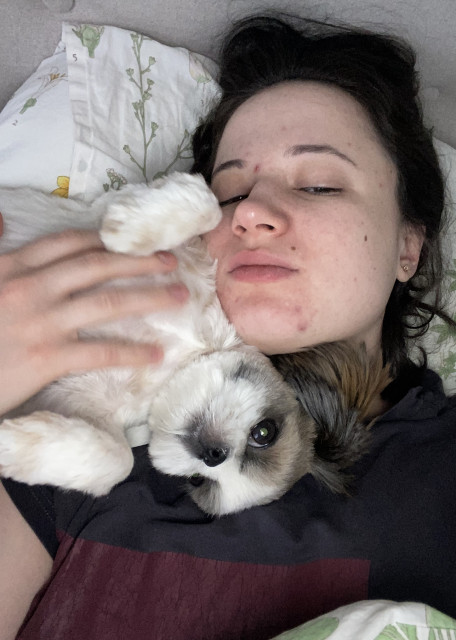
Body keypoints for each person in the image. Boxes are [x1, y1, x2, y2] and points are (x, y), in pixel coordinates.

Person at [1, 13, 455, 640]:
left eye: (319, 185)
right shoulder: (78, 428)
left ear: (409, 246)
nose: (253, 212)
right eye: (230, 191)